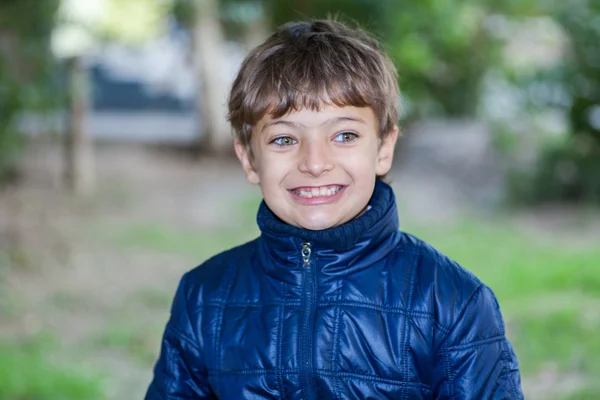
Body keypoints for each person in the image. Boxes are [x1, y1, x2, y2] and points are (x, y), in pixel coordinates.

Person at [145, 19, 523, 399]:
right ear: (249, 159)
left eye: (344, 135)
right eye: (284, 138)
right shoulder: (204, 296)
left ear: (384, 148)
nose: (314, 161)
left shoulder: (454, 302)